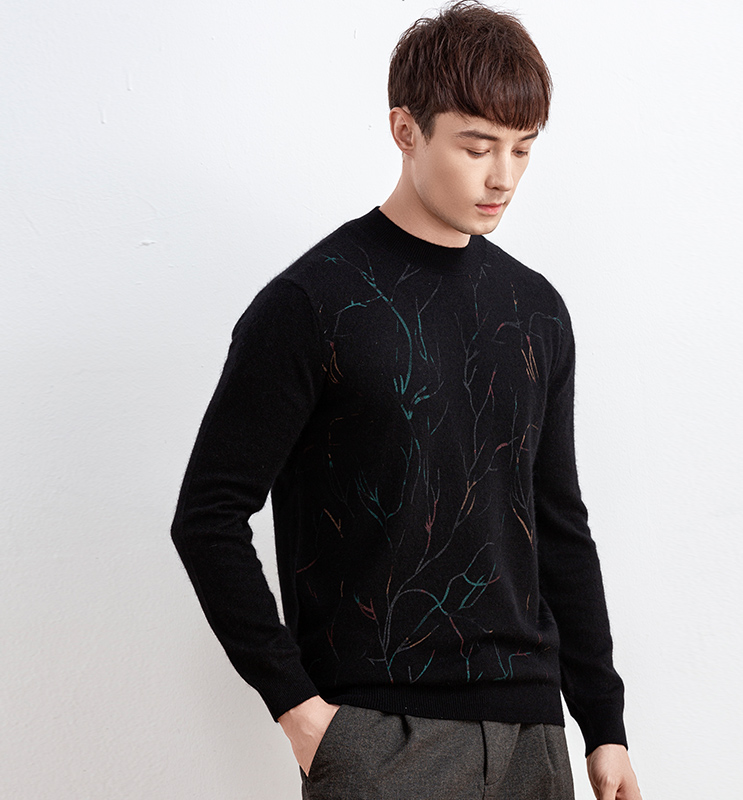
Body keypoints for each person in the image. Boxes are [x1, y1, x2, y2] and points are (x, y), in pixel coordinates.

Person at [171, 2, 642, 798]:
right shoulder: (313, 303)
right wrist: (304, 716)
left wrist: (604, 724)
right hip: (380, 739)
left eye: (523, 148)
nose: (503, 177)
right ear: (405, 130)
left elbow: (557, 521)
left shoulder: (535, 310)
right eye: (477, 146)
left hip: (534, 739)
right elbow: (208, 516)